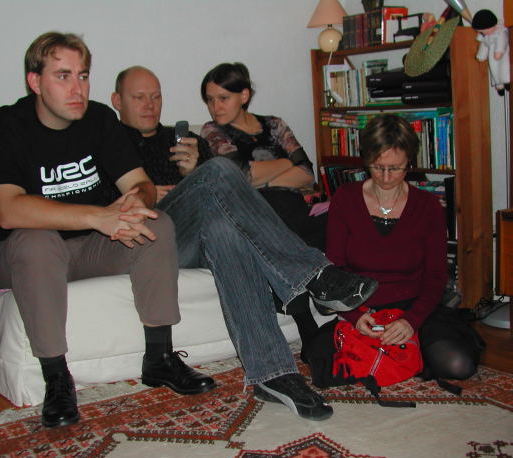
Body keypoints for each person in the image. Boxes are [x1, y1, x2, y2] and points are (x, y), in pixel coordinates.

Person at [111, 66, 378, 421]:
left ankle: (272, 373)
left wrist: (192, 174)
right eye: (139, 97)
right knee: (221, 170)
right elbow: (101, 204)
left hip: (195, 235)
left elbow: (227, 199)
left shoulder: (185, 140)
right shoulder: (108, 141)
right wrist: (144, 197)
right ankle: (316, 275)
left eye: (156, 96)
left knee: (225, 228)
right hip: (152, 237)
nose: (150, 104)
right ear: (117, 101)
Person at [0, 33, 215, 429]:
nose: (78, 89)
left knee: (156, 223)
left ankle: (159, 358)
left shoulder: (100, 119)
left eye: (83, 76)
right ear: (35, 82)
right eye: (63, 76)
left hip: (91, 248)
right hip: (24, 254)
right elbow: (8, 210)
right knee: (37, 240)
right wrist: (97, 216)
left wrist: (135, 205)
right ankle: (57, 379)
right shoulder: (6, 125)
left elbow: (139, 184)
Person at [325, 114, 482, 381]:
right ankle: (405, 357)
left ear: (410, 161)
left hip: (415, 306)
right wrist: (353, 315)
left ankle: (409, 351)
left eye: (396, 168)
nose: (386, 177)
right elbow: (334, 270)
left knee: (458, 365)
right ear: (366, 160)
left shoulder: (428, 206)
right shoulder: (346, 198)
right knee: (334, 366)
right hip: (362, 307)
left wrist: (411, 321)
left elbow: (436, 276)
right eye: (378, 167)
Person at [199, 62, 328, 361]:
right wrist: (285, 164)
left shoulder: (275, 124)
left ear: (244, 95)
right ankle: (308, 320)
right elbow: (240, 177)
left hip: (292, 207)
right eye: (210, 99)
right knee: (276, 214)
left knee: (332, 219)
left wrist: (265, 178)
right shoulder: (212, 132)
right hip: (255, 211)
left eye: (223, 98)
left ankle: (315, 299)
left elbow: (307, 173)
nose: (215, 107)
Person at [471, 9, 510, 96]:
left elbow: (502, 42)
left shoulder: (500, 33)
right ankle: (499, 86)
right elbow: (484, 46)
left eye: (481, 31)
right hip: (493, 59)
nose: (481, 34)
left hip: (503, 57)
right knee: (494, 71)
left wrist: (499, 51)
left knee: (504, 68)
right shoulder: (485, 36)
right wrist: (480, 56)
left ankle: (507, 81)